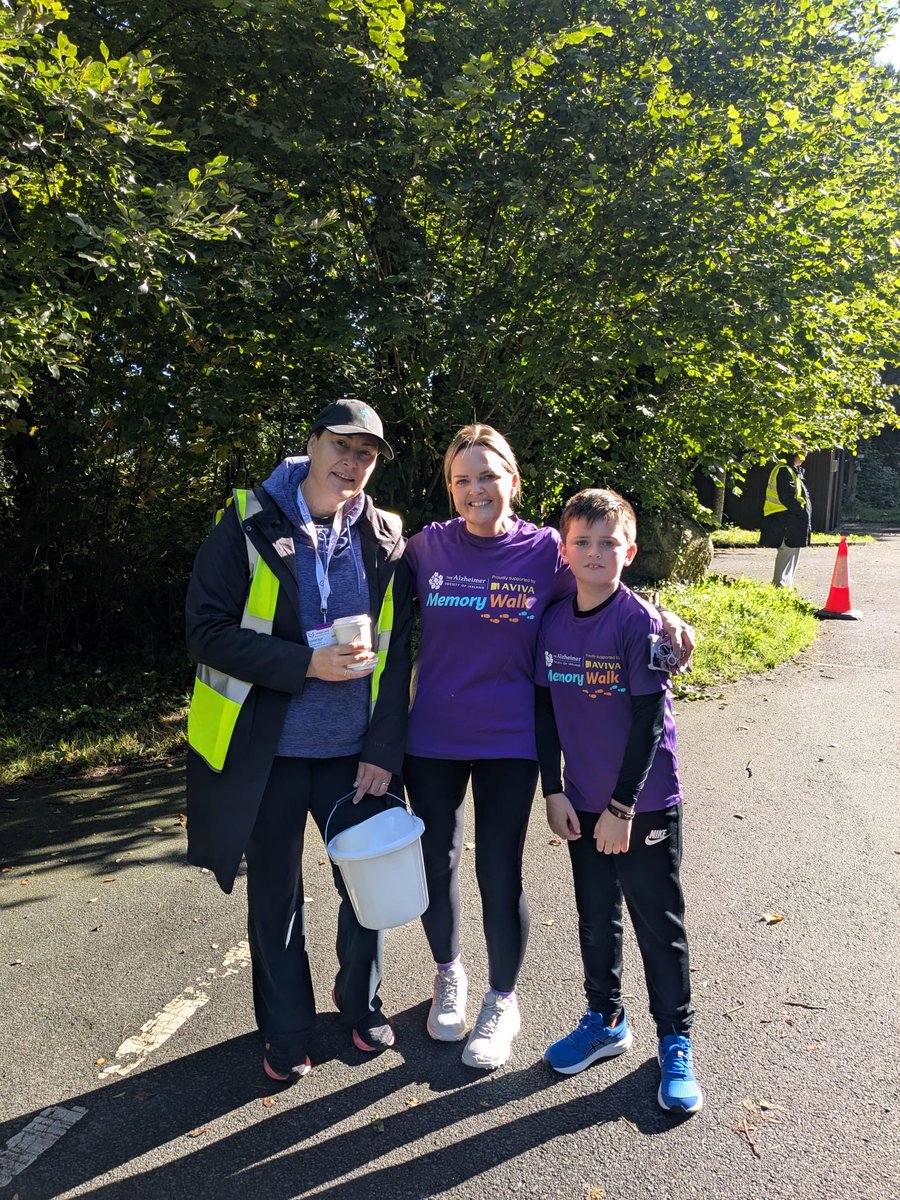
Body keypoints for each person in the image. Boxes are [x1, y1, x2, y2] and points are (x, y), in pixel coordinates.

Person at [401, 424, 694, 1071]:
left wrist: (662, 615)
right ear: (450, 488)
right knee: (435, 863)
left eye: (488, 474)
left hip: (510, 739)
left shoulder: (542, 553)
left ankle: (502, 1002)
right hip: (432, 739)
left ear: (512, 480)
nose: (476, 488)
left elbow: (604, 580)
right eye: (462, 478)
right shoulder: (425, 548)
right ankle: (449, 974)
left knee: (497, 870)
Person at [184, 398, 412, 1083]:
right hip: (269, 754)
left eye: (366, 454)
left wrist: (383, 749)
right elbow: (206, 631)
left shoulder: (383, 533)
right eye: (342, 445)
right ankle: (285, 1029)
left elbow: (398, 651)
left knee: (369, 892)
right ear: (311, 443)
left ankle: (359, 1000)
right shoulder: (248, 520)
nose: (352, 463)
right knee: (276, 899)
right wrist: (303, 663)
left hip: (354, 755)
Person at [535, 487, 702, 1114]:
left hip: (645, 803)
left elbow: (647, 722)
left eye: (609, 542)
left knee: (657, 923)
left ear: (629, 551)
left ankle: (675, 1040)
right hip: (580, 801)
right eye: (582, 541)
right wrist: (553, 790)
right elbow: (544, 708)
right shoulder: (553, 617)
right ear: (564, 550)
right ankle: (604, 1020)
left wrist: (623, 809)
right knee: (595, 915)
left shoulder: (640, 622)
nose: (595, 552)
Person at [760, 450, 811, 588]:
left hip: (788, 517)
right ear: (795, 454)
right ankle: (780, 586)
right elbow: (787, 497)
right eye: (803, 454)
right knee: (787, 550)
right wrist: (800, 512)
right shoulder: (785, 470)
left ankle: (785, 586)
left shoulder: (790, 470)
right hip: (785, 517)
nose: (805, 458)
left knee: (791, 550)